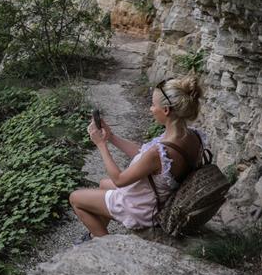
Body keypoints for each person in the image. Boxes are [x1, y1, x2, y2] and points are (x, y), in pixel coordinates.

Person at [69, 76, 206, 243]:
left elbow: (119, 180)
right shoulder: (190, 136)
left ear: (166, 110)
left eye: (153, 105)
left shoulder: (159, 152)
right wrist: (111, 137)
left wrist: (101, 145)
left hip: (143, 209)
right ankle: (95, 234)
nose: (150, 109)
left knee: (75, 198)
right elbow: (144, 154)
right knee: (104, 184)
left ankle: (104, 244)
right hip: (160, 197)